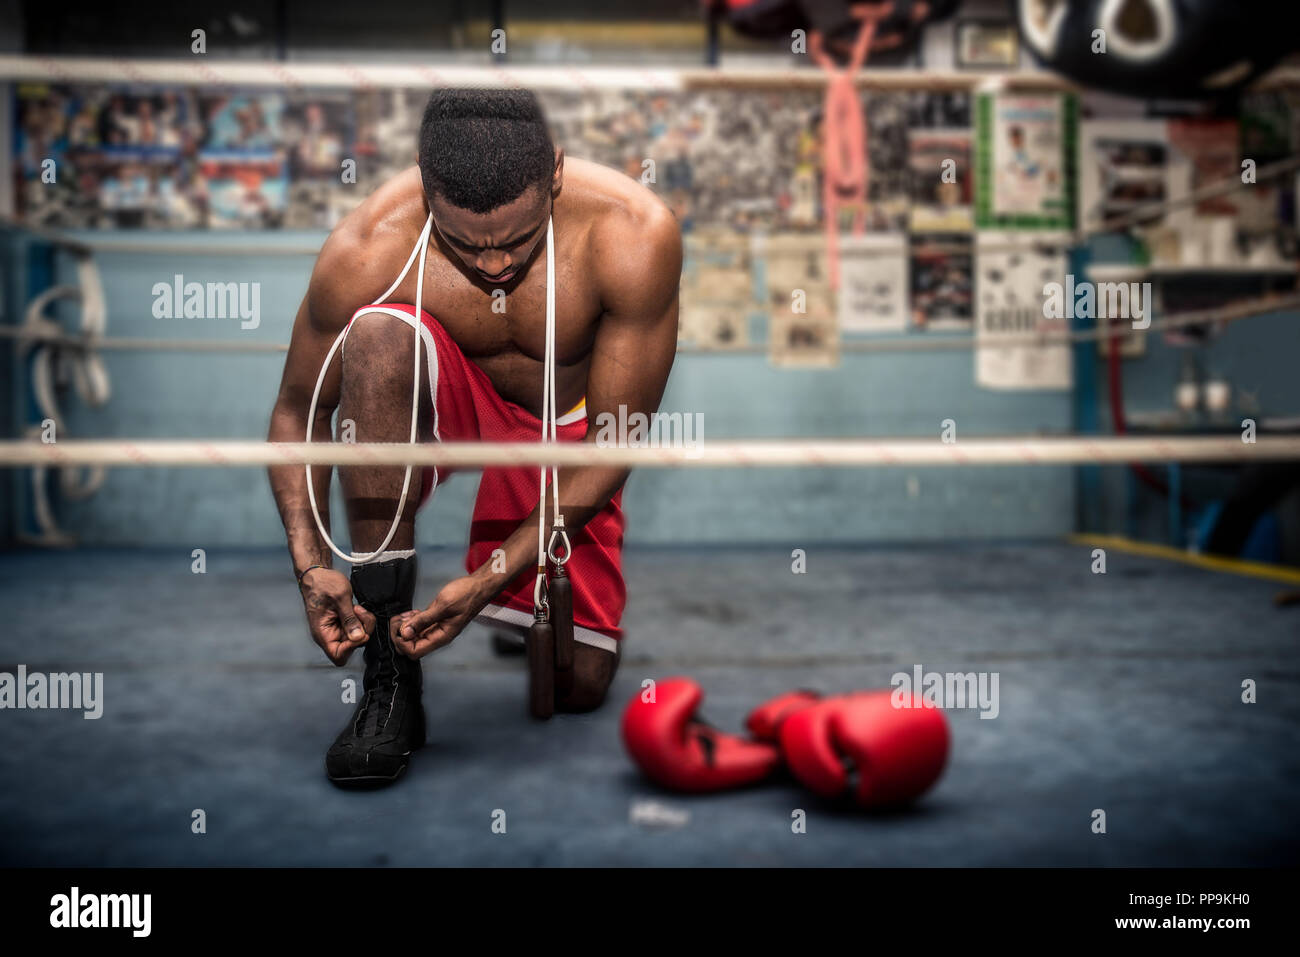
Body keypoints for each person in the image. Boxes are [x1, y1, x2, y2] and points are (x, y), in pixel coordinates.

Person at [267, 88, 682, 788]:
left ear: (553, 172)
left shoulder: (632, 232)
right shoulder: (367, 246)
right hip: (446, 403)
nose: (494, 267)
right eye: (466, 243)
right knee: (374, 337)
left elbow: (615, 441)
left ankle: (506, 602)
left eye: (517, 242)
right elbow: (297, 411)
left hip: (563, 427)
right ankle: (389, 677)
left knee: (578, 685)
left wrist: (496, 571)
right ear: (427, 187)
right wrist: (311, 570)